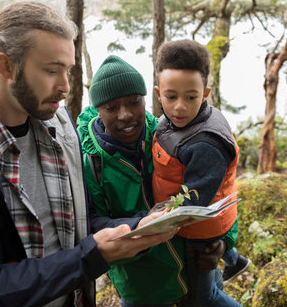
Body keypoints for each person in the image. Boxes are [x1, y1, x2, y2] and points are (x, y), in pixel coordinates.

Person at [0, 1, 175, 307]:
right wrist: (89, 259)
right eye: (51, 71)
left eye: (68, 71)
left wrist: (137, 226)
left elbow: (75, 232)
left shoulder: (60, 128)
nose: (64, 87)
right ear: (6, 66)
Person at [76, 55, 237, 307]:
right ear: (97, 109)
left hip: (198, 272)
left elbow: (220, 188)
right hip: (145, 289)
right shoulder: (89, 162)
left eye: (134, 102)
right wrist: (140, 224)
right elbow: (89, 224)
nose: (125, 115)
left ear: (147, 98)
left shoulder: (169, 134)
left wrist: (222, 242)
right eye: (111, 107)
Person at [152, 39, 251, 307]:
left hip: (200, 229)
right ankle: (234, 261)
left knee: (202, 297)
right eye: (171, 97)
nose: (180, 107)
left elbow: (195, 201)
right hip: (210, 218)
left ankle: (228, 264)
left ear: (205, 93)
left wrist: (156, 216)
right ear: (159, 93)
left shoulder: (205, 143)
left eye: (191, 97)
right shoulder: (179, 120)